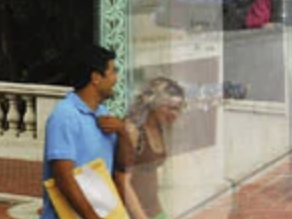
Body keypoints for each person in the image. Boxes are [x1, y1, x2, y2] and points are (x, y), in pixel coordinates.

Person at [40, 45, 144, 219]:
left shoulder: (103, 114)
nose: (116, 79)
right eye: (112, 72)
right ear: (96, 78)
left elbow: (123, 166)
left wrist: (123, 132)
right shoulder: (65, 116)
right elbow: (63, 177)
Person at [124, 78, 185, 219]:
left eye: (179, 108)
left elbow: (150, 176)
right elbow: (124, 183)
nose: (176, 114)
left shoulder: (161, 127)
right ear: (153, 104)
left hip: (154, 210)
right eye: (171, 108)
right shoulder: (133, 129)